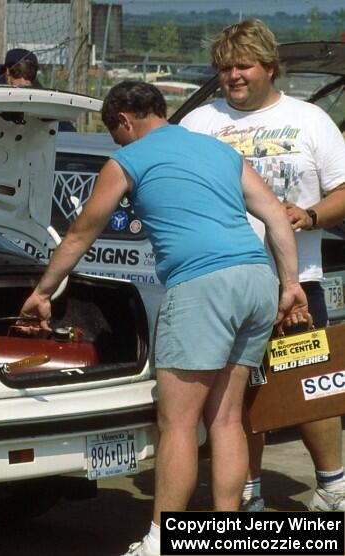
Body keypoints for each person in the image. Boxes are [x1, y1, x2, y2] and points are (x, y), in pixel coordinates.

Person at [19, 81, 310, 556]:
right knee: (227, 419)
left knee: (177, 423)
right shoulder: (218, 151)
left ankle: (160, 541)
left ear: (125, 121)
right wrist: (291, 284)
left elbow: (79, 235)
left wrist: (42, 293)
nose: (118, 143)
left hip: (201, 285)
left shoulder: (127, 161)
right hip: (257, 280)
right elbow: (276, 218)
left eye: (116, 135)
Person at [180, 19, 345, 512]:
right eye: (225, 67)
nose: (233, 75)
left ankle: (333, 486)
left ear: (270, 67)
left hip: (295, 281)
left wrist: (310, 214)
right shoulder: (198, 123)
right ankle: (244, 495)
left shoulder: (310, 119)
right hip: (222, 282)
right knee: (238, 392)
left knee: (309, 383)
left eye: (243, 65)